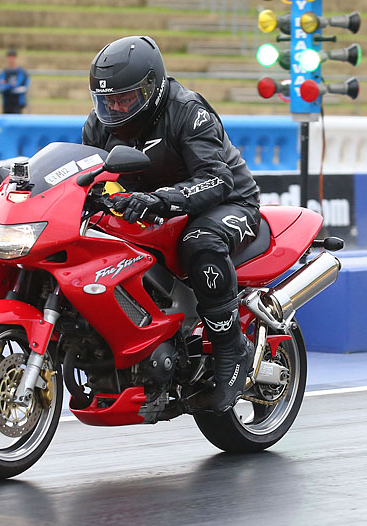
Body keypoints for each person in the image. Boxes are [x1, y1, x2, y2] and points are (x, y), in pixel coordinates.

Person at [82, 36, 259, 414]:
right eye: (107, 101)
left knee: (200, 241)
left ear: (152, 88)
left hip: (226, 203)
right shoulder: (97, 125)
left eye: (125, 99)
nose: (115, 109)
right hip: (153, 209)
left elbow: (217, 179)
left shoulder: (188, 112)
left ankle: (232, 350)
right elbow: (86, 176)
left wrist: (162, 199)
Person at [0, 49, 29, 114]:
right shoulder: (4, 72)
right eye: (9, 57)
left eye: (13, 57)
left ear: (16, 58)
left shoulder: (21, 72)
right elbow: (0, 87)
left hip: (17, 103)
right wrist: (10, 85)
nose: (11, 59)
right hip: (6, 102)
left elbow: (20, 85)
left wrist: (7, 85)